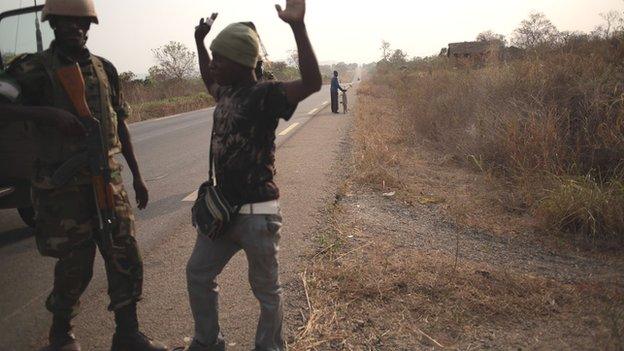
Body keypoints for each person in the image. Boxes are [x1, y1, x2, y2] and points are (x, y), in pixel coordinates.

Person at [4, 0, 167, 350]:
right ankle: (61, 335)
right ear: (53, 24)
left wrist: (137, 176)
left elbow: (120, 124)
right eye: (67, 22)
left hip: (108, 181)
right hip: (63, 190)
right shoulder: (32, 70)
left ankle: (127, 334)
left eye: (82, 23)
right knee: (75, 266)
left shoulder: (104, 69)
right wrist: (48, 114)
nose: (75, 29)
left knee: (125, 255)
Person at [184, 0, 321, 350]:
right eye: (211, 58)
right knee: (198, 273)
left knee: (266, 291)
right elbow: (206, 79)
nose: (212, 66)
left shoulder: (266, 95)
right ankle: (208, 342)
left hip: (259, 216)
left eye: (219, 58)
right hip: (223, 213)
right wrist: (200, 43)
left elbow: (312, 83)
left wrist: (297, 27)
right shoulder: (226, 93)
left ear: (242, 61)